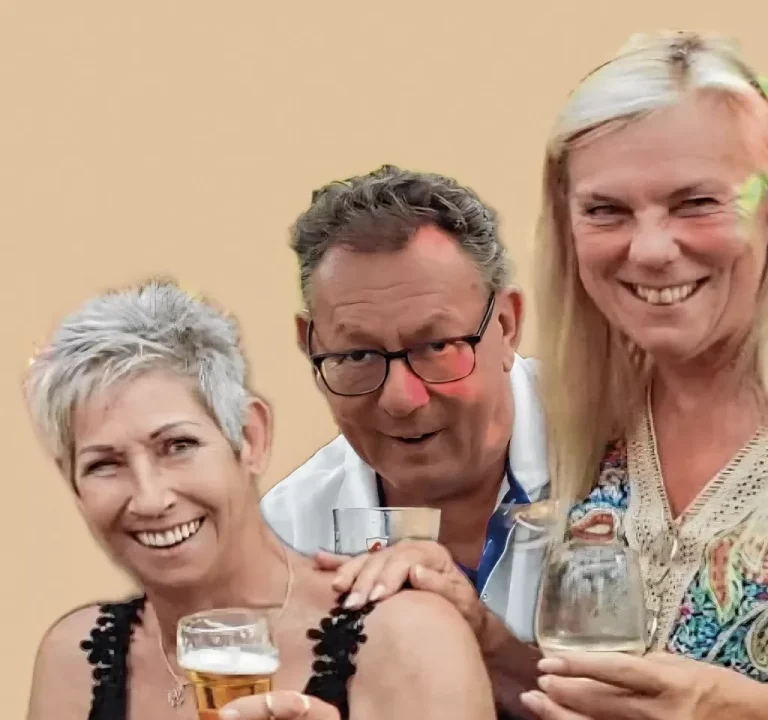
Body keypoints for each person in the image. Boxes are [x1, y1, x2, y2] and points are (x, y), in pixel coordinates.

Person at [319, 30, 768, 720]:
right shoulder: (583, 419)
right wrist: (480, 633)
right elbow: (595, 699)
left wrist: (733, 708)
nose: (651, 248)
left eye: (697, 203)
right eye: (606, 210)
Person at [23, 280, 497, 720]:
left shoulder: (405, 636)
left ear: (250, 437)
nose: (149, 499)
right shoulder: (75, 660)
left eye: (178, 446)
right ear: (73, 483)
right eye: (104, 465)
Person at [259, 165, 549, 645]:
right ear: (309, 345)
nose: (400, 399)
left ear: (506, 324)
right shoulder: (289, 537)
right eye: (358, 356)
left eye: (435, 347)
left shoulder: (625, 454)